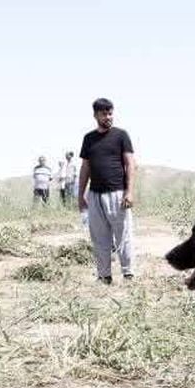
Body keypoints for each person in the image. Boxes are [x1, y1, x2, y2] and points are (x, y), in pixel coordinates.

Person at [78, 98, 136, 283]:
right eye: (104, 114)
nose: (108, 117)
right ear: (95, 115)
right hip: (95, 195)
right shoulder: (89, 139)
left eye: (110, 113)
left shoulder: (121, 135)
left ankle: (128, 274)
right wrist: (81, 195)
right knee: (99, 238)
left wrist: (129, 192)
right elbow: (85, 168)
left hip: (117, 194)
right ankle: (104, 276)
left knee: (123, 235)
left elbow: (130, 164)